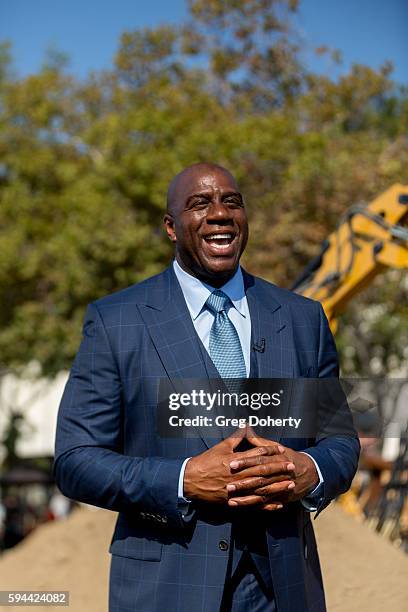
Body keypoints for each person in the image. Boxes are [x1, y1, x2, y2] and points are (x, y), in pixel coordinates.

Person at [54, 163, 360, 612]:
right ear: (171, 227)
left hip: (284, 587)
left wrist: (309, 470)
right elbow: (75, 461)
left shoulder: (302, 318)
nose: (220, 213)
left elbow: (341, 442)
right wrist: (184, 480)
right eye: (200, 204)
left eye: (231, 202)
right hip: (166, 588)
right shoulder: (116, 321)